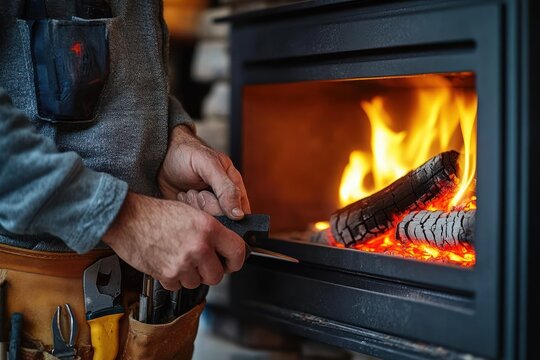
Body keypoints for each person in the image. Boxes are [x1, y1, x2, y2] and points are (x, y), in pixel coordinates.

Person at [0, 0, 248, 357]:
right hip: (34, 306)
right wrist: (123, 217)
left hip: (144, 301)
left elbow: (123, 69)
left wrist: (171, 138)